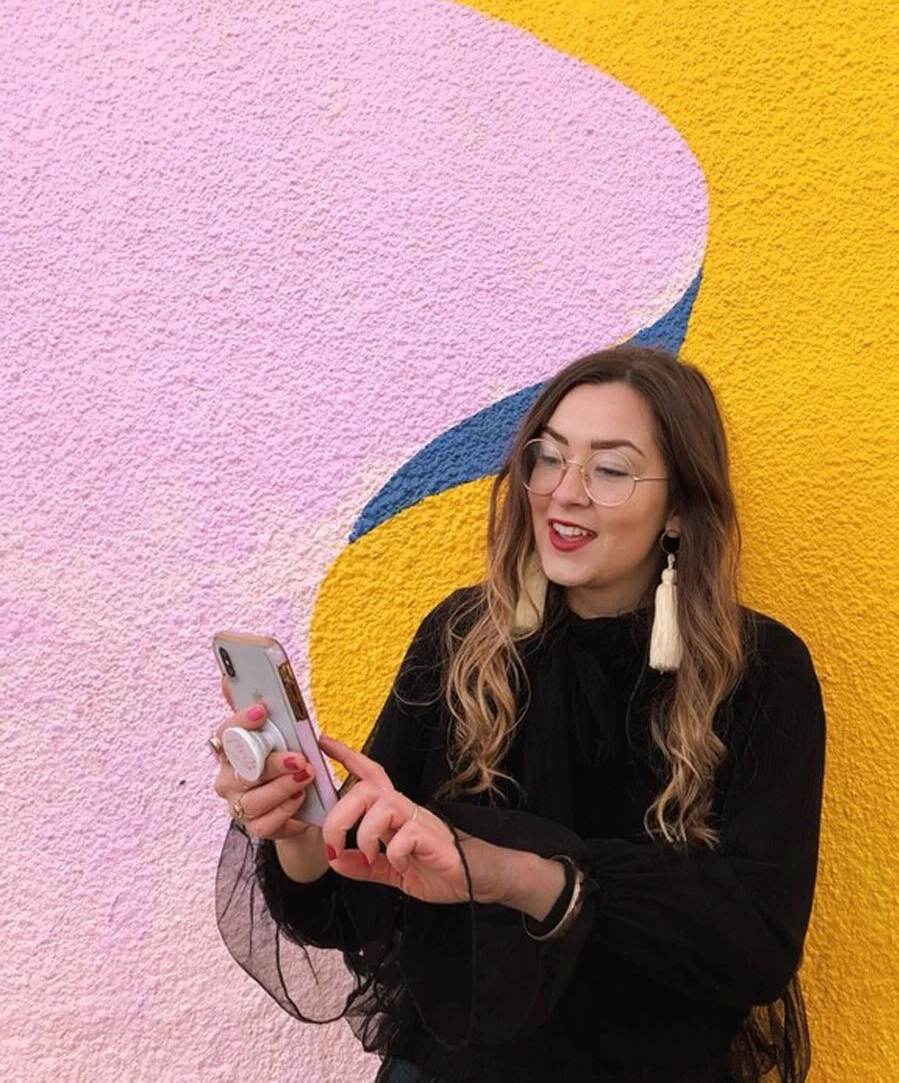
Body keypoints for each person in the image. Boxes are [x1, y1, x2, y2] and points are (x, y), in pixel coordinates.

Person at [209, 346, 825, 1083]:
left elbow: (757, 941)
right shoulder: (460, 639)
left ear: (680, 511)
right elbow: (349, 910)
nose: (564, 492)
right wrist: (299, 829)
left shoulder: (761, 670)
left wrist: (521, 876)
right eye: (549, 457)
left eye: (610, 469)